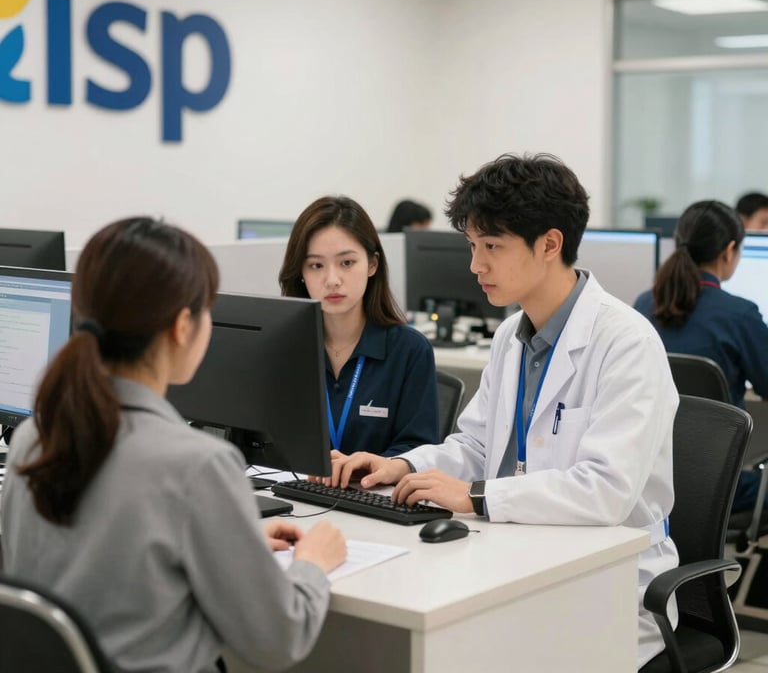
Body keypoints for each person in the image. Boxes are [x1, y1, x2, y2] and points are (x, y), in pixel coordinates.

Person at [330, 154, 679, 668]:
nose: (476, 265)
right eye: (473, 246)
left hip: (609, 582)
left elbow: (605, 490)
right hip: (514, 555)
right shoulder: (510, 337)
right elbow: (474, 444)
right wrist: (405, 466)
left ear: (550, 244)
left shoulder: (625, 342)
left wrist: (475, 495)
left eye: (491, 247)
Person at [1, 217, 347, 673]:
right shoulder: (197, 467)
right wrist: (312, 564)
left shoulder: (34, 439)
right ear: (183, 326)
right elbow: (280, 640)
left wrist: (230, 541)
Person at [634, 199, 768, 512]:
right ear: (729, 250)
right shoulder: (739, 314)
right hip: (717, 486)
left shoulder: (643, 304)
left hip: (647, 480)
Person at [279, 195, 439, 456]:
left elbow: (418, 450)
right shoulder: (284, 349)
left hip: (374, 493)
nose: (332, 280)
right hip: (295, 494)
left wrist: (376, 467)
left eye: (347, 263)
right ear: (301, 273)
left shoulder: (409, 351)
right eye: (316, 265)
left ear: (372, 264)